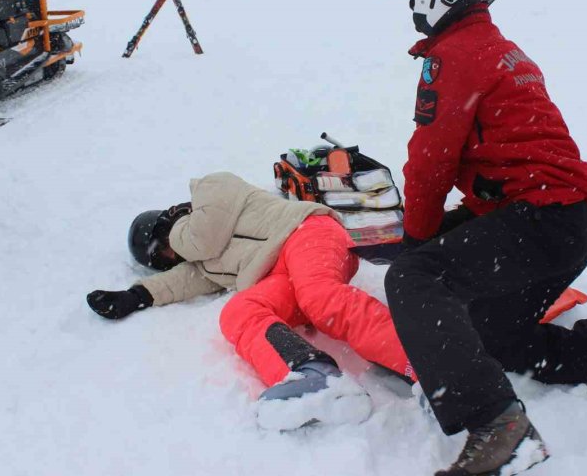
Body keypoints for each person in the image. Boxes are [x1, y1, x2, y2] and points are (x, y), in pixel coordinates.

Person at [369, 0, 587, 476]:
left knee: (412, 279)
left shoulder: (455, 55)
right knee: (490, 338)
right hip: (565, 226)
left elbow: (430, 163)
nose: (413, 7)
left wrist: (417, 243)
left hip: (539, 220)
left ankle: (498, 426)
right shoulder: (501, 49)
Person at [86, 172, 413, 429]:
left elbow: (201, 238)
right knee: (239, 311)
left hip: (305, 234)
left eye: (166, 250)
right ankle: (312, 377)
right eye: (166, 260)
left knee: (319, 298)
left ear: (168, 222)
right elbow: (187, 279)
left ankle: (420, 359)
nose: (175, 257)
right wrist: (137, 295)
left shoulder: (211, 189)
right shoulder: (205, 260)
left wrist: (175, 237)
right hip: (280, 275)